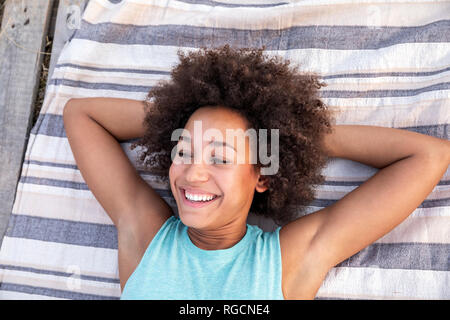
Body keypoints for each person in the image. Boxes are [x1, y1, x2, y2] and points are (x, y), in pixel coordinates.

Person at [63, 45, 450, 299]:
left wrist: (289, 136)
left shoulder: (286, 261)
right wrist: (177, 118)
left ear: (262, 175)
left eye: (220, 158)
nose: (193, 173)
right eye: (184, 151)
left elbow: (428, 157)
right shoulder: (146, 235)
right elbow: (80, 114)